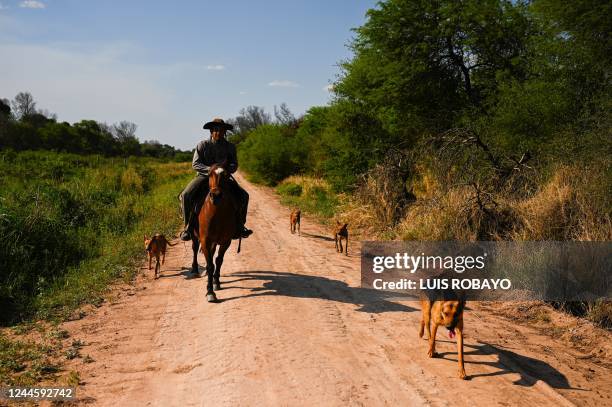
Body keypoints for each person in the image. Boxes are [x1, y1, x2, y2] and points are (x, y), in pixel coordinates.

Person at [179, 118, 253, 241]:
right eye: (215, 130)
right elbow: (195, 164)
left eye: (221, 130)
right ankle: (188, 228)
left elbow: (234, 164)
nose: (218, 132)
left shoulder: (230, 147)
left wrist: (227, 170)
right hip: (204, 177)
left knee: (244, 196)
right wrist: (210, 170)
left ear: (225, 132)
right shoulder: (202, 145)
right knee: (186, 195)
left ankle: (240, 226)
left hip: (223, 177)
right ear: (211, 131)